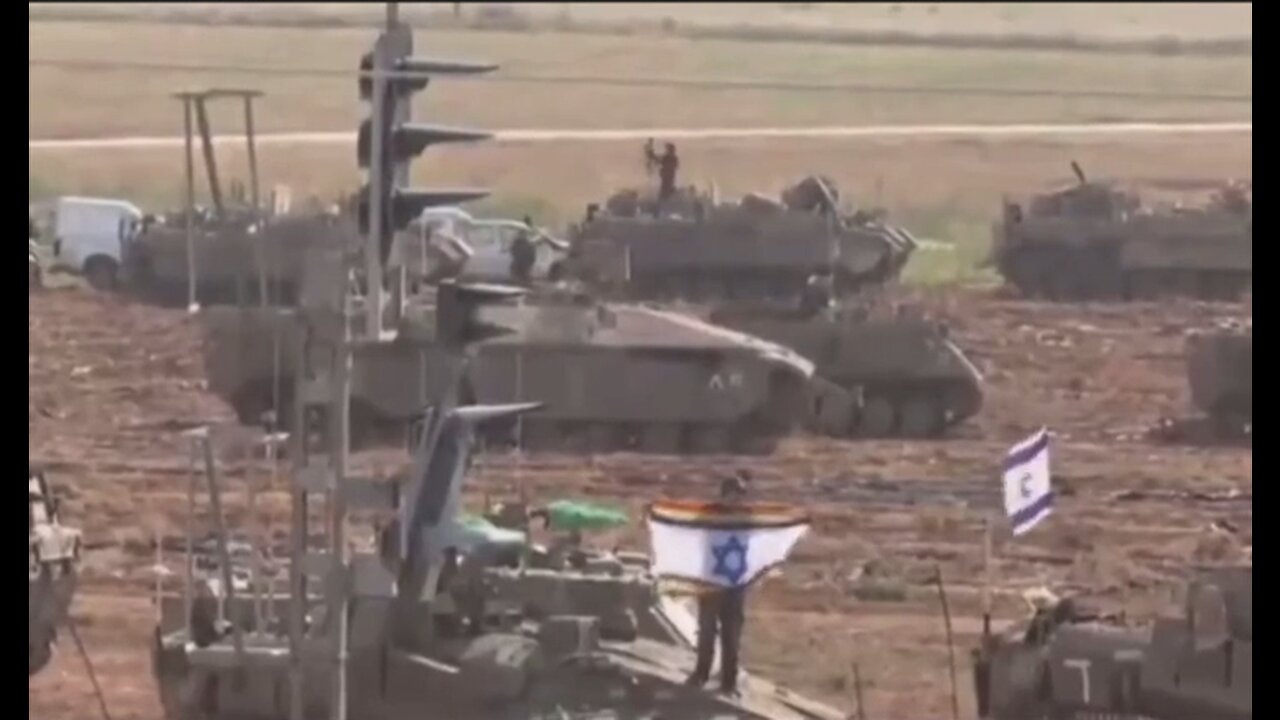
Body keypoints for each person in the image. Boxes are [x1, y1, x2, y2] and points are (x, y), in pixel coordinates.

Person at [686, 470, 751, 695]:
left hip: (735, 584)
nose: (739, 499)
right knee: (706, 630)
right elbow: (692, 532)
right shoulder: (709, 514)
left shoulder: (746, 517)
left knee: (731, 634)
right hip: (711, 582)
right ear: (725, 494)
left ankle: (728, 682)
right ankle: (700, 674)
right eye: (735, 494)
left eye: (741, 495)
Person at [509, 217, 537, 284]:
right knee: (523, 276)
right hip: (523, 262)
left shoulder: (522, 237)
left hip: (521, 262)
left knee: (521, 276)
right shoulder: (527, 237)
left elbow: (513, 249)